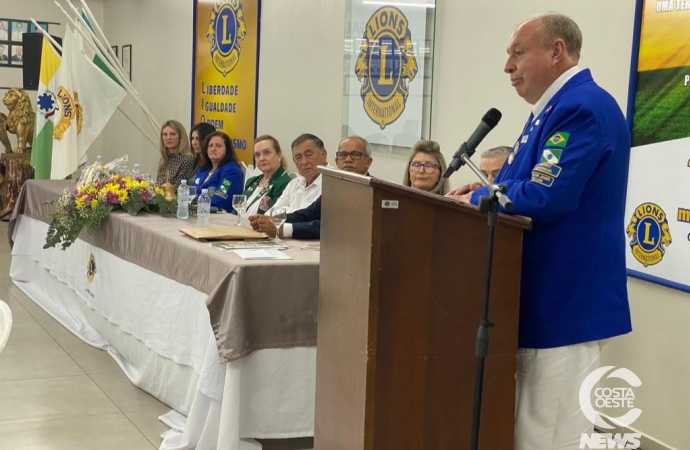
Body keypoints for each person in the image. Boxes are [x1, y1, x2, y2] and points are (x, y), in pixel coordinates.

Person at [452, 13, 632, 450]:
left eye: (518, 53)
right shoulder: (553, 108)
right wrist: (491, 187)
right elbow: (530, 183)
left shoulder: (580, 108)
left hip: (564, 303)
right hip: (542, 300)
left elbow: (548, 197)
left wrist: (476, 200)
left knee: (548, 437)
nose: (507, 67)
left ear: (557, 51)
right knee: (531, 431)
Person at [249, 136, 373, 239]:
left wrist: (281, 228)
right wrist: (269, 220)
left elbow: (334, 226)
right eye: (343, 155)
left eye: (355, 155)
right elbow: (306, 214)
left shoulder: (371, 191)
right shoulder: (337, 187)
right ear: (336, 160)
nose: (348, 160)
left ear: (368, 162)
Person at [264, 133, 330, 214]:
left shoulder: (334, 184)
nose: (304, 162)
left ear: (323, 154)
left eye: (308, 155)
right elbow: (270, 213)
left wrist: (284, 210)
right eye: (298, 157)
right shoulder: (294, 184)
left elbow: (309, 216)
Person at [192, 131, 243, 212]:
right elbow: (192, 192)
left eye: (218, 146)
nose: (213, 149)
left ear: (227, 150)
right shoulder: (203, 169)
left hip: (219, 215)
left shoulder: (231, 171)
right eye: (210, 146)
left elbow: (220, 200)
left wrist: (196, 204)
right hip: (198, 212)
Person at [241, 135, 292, 216]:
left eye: (267, 153)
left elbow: (271, 217)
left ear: (279, 155)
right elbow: (236, 212)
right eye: (257, 154)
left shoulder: (285, 183)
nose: (262, 158)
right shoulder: (251, 181)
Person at [155, 120, 195, 190]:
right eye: (165, 134)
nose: (168, 138)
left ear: (181, 137)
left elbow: (178, 188)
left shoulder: (187, 159)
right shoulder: (164, 159)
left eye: (173, 134)